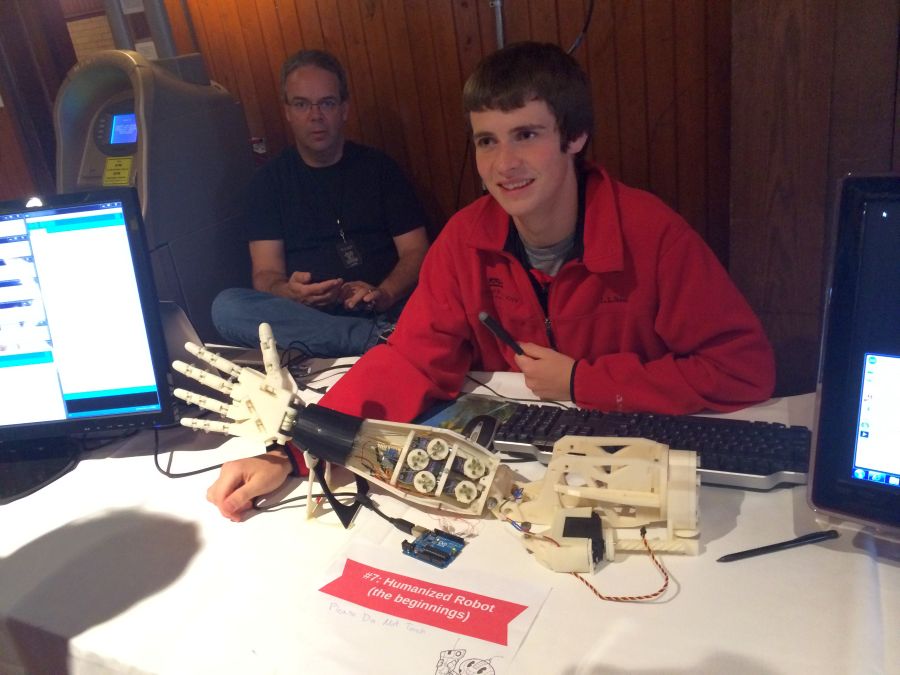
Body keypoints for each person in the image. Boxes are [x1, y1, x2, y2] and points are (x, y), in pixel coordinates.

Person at [206, 42, 776, 521]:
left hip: (632, 472)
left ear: (575, 136)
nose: (504, 164)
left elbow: (743, 370)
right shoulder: (464, 239)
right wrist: (292, 452)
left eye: (525, 134)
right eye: (486, 140)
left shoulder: (652, 233)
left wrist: (583, 381)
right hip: (516, 478)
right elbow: (409, 362)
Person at [211, 49, 430, 357]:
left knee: (442, 296)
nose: (315, 116)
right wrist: (289, 292)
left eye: (327, 103)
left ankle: (370, 337)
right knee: (227, 307)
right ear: (287, 112)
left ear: (344, 109)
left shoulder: (379, 168)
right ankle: (374, 340)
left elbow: (417, 251)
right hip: (310, 318)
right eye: (302, 104)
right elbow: (265, 274)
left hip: (387, 306)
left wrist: (384, 293)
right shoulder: (267, 183)